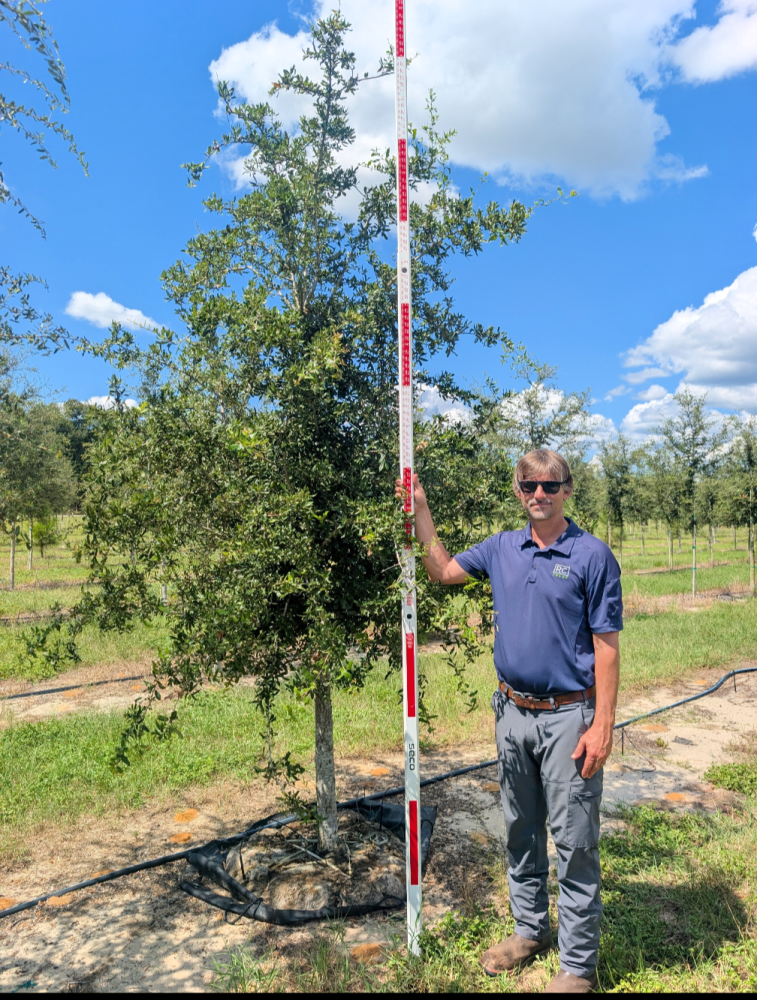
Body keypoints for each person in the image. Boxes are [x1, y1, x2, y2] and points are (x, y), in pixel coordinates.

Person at [397, 448, 621, 994]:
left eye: (550, 486)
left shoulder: (592, 555)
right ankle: (530, 931)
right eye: (528, 486)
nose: (538, 495)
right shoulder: (502, 548)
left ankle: (577, 967)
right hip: (513, 713)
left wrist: (603, 724)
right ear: (517, 490)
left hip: (571, 716)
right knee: (520, 828)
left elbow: (607, 645)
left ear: (568, 489)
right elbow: (444, 571)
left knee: (574, 840)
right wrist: (420, 511)